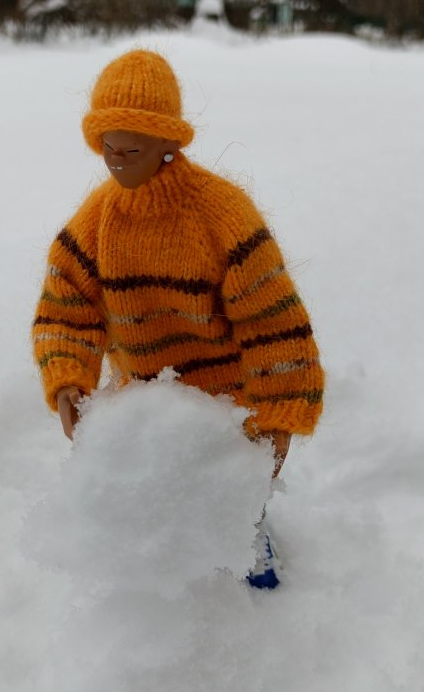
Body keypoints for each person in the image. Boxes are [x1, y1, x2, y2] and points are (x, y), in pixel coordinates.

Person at [32, 49, 324, 589]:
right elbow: (66, 304)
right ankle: (168, 593)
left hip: (225, 410)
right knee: (153, 509)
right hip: (142, 407)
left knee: (235, 510)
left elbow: (271, 321)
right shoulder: (96, 221)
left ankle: (260, 592)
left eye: (132, 149)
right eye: (108, 148)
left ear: (168, 142)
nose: (117, 162)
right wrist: (68, 376)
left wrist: (280, 413)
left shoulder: (221, 216)